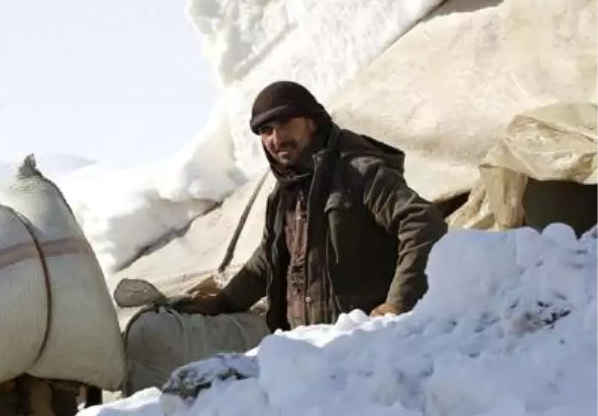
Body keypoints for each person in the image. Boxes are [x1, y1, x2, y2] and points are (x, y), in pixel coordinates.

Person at [177, 80, 448, 331]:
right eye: (266, 131)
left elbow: (422, 223)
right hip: (311, 352)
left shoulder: (357, 170)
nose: (276, 137)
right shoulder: (285, 193)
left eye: (284, 123)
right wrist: (221, 303)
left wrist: (396, 305)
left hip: (367, 346)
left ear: (311, 122)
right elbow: (266, 261)